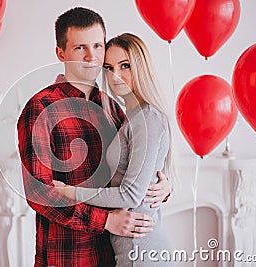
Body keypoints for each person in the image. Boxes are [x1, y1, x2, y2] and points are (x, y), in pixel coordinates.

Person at [17, 7, 171, 267]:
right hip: (67, 256)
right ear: (61, 53)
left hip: (113, 254)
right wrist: (106, 221)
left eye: (98, 46)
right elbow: (39, 193)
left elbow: (132, 174)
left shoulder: (112, 108)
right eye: (80, 48)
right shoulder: (41, 108)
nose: (91, 57)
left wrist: (163, 188)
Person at [54, 33, 175, 266]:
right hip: (128, 248)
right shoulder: (127, 117)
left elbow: (131, 194)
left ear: (141, 67)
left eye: (125, 66)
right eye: (109, 67)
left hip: (140, 250)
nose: (115, 76)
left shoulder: (147, 119)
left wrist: (71, 192)